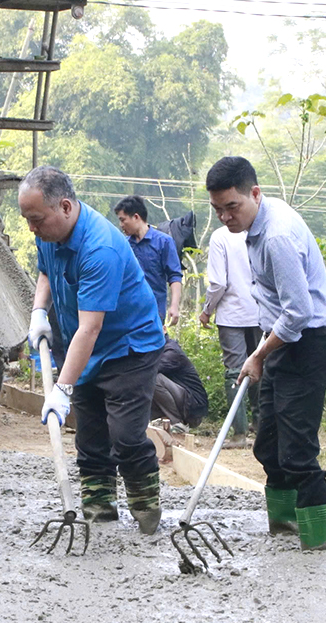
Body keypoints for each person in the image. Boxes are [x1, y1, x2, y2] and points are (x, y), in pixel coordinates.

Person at [22, 166, 166, 534]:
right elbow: (45, 271)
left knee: (126, 436)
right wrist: (40, 310)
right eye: (27, 219)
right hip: (83, 345)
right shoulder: (47, 232)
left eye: (36, 219)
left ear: (65, 207)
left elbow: (92, 327)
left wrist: (63, 388)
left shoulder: (99, 247)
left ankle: (147, 510)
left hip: (128, 347)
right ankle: (99, 512)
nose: (31, 229)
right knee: (90, 436)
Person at [206, 156, 326, 551]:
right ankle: (283, 527)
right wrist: (266, 349)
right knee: (268, 444)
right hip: (282, 340)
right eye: (218, 209)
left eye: (233, 206)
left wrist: (258, 354)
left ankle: (318, 538)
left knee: (297, 450)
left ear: (255, 194)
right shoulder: (256, 222)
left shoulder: (277, 236)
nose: (226, 217)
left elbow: (299, 313)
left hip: (308, 344)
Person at [199, 223, 262, 448]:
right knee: (259, 365)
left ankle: (239, 433)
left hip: (232, 315)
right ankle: (259, 424)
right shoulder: (258, 232)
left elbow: (218, 283)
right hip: (260, 311)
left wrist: (207, 310)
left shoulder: (220, 237)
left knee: (234, 372)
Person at [113, 195, 183, 326]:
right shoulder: (124, 245)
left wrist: (174, 306)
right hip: (128, 313)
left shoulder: (164, 242)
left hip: (155, 313)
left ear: (136, 217)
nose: (121, 225)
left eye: (123, 220)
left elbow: (175, 276)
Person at [150, 338, 208, 434]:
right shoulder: (155, 350)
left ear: (164, 329)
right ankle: (162, 420)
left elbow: (149, 370)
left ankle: (177, 423)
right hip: (183, 402)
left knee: (153, 378)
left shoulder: (172, 351)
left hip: (192, 407)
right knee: (144, 380)